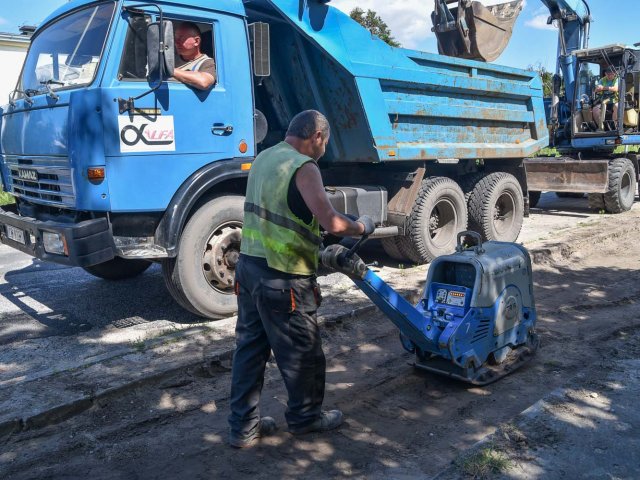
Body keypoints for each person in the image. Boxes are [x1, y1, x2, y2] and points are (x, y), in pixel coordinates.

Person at [228, 110, 375, 448]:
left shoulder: (265, 157)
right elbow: (332, 223)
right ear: (317, 137)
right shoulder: (303, 167)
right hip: (284, 278)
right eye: (325, 142)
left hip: (249, 270)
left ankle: (243, 429)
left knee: (250, 350)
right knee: (302, 353)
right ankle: (306, 418)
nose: (324, 149)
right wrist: (362, 226)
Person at [172, 22, 216, 90]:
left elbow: (204, 82)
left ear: (196, 41)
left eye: (181, 38)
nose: (176, 42)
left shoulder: (208, 63)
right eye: (176, 38)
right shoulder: (170, 60)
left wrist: (170, 71)